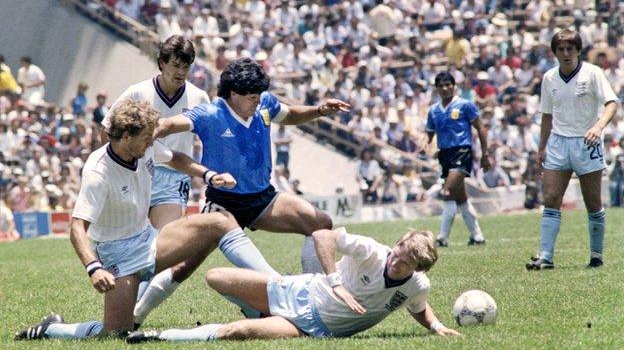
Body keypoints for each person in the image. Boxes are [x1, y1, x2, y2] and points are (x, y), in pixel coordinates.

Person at [14, 99, 240, 340]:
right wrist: (94, 268)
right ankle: (51, 329)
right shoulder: (98, 172)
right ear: (124, 136)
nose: (151, 141)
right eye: (145, 136)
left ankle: (268, 294)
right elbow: (77, 228)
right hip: (117, 255)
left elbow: (176, 158)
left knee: (219, 222)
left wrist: (208, 175)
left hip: (148, 240)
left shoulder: (145, 147)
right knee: (116, 333)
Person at [144, 57, 350, 322]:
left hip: (262, 199)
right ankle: (136, 315)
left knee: (320, 222)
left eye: (259, 95)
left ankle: (312, 298)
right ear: (233, 94)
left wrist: (319, 110)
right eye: (252, 97)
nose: (258, 101)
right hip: (223, 205)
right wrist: (152, 129)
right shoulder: (211, 113)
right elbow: (172, 124)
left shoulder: (263, 105)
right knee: (185, 266)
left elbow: (289, 115)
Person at [125, 227, 460, 343]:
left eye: (406, 261)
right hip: (298, 290)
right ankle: (259, 312)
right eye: (399, 249)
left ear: (417, 268)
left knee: (234, 332)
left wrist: (435, 325)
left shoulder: (417, 285)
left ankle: (156, 337)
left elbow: (417, 305)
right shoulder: (373, 251)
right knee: (216, 277)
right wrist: (335, 282)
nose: (396, 258)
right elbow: (323, 235)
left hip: (310, 327)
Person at [101, 35, 213, 328]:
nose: (180, 72)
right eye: (175, 64)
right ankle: (125, 316)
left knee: (165, 249)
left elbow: (210, 139)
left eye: (185, 66)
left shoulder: (200, 97)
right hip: (136, 174)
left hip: (173, 178)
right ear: (162, 63)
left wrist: (209, 173)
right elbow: (107, 131)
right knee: (136, 251)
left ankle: (135, 314)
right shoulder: (136, 93)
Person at [526, 29, 618, 270]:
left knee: (592, 202)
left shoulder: (593, 73)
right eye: (561, 49)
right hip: (558, 143)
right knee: (551, 198)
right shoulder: (549, 78)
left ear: (578, 51)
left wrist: (598, 126)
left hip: (586, 143)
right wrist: (541, 148)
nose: (566, 53)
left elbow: (611, 103)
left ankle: (596, 255)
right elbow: (546, 115)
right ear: (555, 53)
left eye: (570, 49)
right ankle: (546, 257)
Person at [426, 71, 490, 247]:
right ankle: (477, 236)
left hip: (462, 152)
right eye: (442, 85)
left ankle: (442, 238)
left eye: (449, 84)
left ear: (454, 86)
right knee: (460, 197)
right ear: (437, 88)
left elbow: (481, 128)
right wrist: (425, 144)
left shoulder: (465, 105)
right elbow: (429, 134)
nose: (446, 88)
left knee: (447, 192)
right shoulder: (433, 111)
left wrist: (486, 154)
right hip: (444, 154)